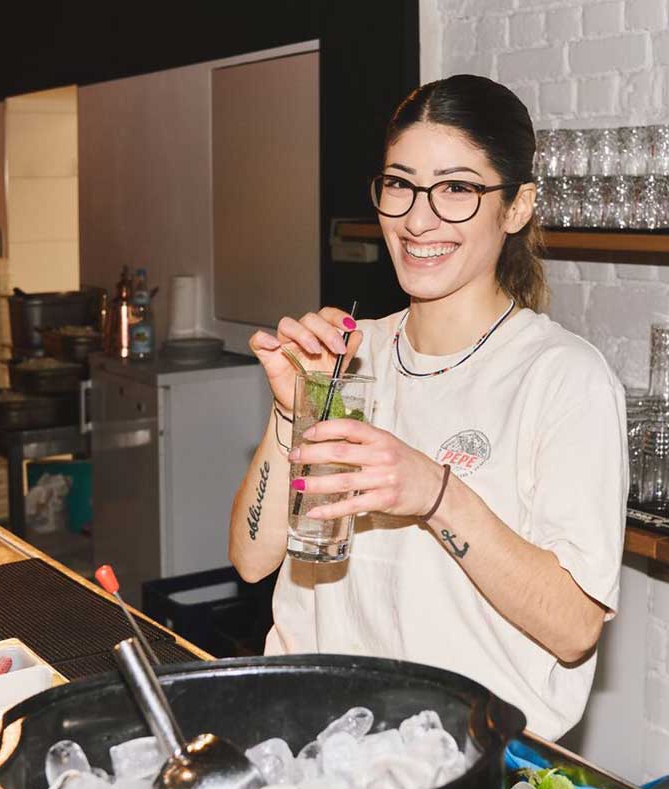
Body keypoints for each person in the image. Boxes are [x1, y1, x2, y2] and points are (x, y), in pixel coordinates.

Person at [228, 74, 626, 740]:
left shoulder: (563, 378)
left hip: (466, 756)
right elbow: (250, 558)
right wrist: (293, 411)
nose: (418, 218)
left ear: (518, 206)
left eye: (458, 189)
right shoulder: (351, 355)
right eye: (400, 184)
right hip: (317, 740)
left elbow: (576, 627)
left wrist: (438, 494)